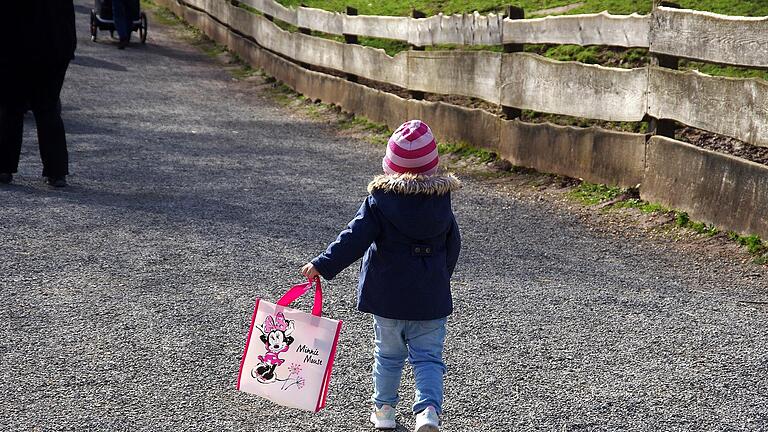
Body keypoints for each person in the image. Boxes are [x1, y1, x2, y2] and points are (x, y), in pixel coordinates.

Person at [301, 120, 461, 432]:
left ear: (390, 166)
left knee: (388, 356)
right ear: (434, 164)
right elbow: (452, 246)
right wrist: (439, 279)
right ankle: (427, 411)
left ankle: (385, 411)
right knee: (428, 358)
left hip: (386, 298)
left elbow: (354, 238)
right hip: (429, 298)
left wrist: (322, 264)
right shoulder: (442, 203)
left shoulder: (379, 202)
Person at [0, 0, 76, 187]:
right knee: (48, 109)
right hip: (54, 47)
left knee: (11, 109)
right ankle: (56, 171)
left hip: (16, 49)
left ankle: (4, 167)